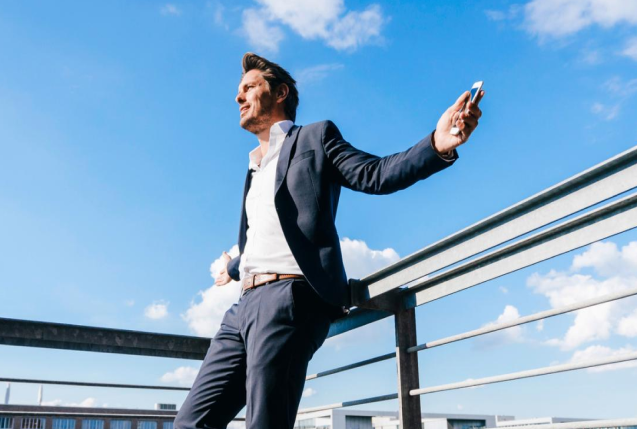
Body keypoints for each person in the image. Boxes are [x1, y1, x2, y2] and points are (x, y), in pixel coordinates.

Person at [174, 53, 483, 429]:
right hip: (242, 309)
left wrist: (437, 143)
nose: (238, 98)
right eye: (238, 91)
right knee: (190, 422)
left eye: (249, 88)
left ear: (281, 92)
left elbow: (376, 174)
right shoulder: (254, 165)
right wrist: (233, 266)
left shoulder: (315, 137)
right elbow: (263, 234)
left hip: (287, 299)